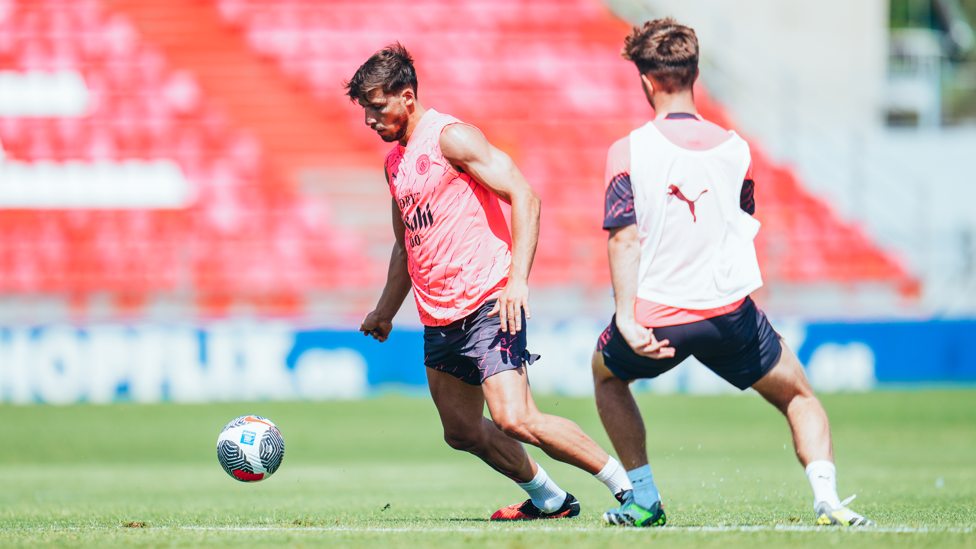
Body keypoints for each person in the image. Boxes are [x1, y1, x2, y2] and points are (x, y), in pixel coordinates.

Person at [592, 19, 875, 528]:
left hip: (658, 317)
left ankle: (644, 499)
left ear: (647, 81)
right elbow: (741, 224)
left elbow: (624, 237)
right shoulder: (738, 150)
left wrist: (626, 316)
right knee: (800, 396)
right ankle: (828, 499)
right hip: (729, 314)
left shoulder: (627, 150)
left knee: (607, 378)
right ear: (695, 73)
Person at [346, 43, 632, 520]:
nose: (371, 120)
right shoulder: (395, 164)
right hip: (439, 316)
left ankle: (632, 489)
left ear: (408, 97)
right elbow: (405, 245)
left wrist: (517, 280)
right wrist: (384, 310)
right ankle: (551, 500)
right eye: (366, 111)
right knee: (460, 431)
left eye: (377, 107)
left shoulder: (451, 139)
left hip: (487, 302)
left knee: (515, 418)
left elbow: (525, 195)